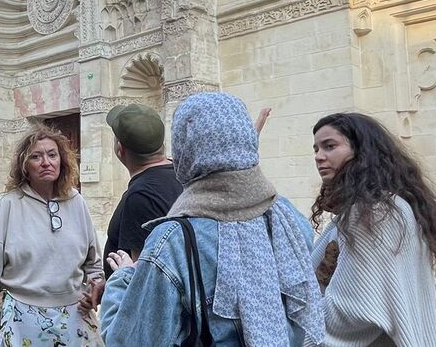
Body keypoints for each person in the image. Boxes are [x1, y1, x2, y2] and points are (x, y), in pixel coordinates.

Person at [101, 92, 325, 346]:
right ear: (246, 142)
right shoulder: (287, 218)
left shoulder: (172, 244)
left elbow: (129, 342)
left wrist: (124, 279)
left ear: (185, 149)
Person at [307, 113, 436, 345]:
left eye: (329, 146)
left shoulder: (373, 213)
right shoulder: (392, 206)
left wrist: (301, 329)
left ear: (361, 151)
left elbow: (353, 307)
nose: (319, 157)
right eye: (316, 149)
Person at [0, 125, 104, 347]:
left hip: (75, 319)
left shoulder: (77, 202)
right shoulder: (9, 205)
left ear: (62, 161)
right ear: (24, 166)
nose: (46, 162)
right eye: (36, 157)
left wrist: (95, 286)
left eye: (52, 155)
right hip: (22, 321)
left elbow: (94, 263)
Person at [80, 103, 182, 314]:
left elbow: (142, 277)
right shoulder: (180, 175)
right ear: (161, 144)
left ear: (120, 149)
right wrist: (108, 286)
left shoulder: (141, 196)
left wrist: (116, 292)